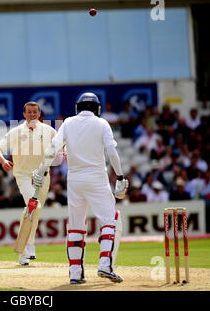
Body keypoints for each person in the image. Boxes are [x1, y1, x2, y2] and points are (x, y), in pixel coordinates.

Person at [32, 92, 129, 284]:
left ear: (78, 107)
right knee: (109, 220)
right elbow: (112, 152)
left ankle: (75, 273)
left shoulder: (68, 123)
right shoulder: (102, 124)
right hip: (96, 178)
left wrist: (41, 171)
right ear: (96, 108)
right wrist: (119, 176)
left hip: (75, 180)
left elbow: (53, 148)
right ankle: (105, 265)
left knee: (75, 225)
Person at [0, 101, 57, 266]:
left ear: (39, 113)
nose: (32, 115)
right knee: (34, 205)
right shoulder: (16, 132)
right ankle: (26, 247)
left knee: (34, 210)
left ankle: (27, 247)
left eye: (35, 112)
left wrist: (64, 152)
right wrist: (3, 161)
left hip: (43, 176)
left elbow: (61, 146)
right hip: (23, 175)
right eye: (29, 112)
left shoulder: (48, 130)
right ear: (24, 114)